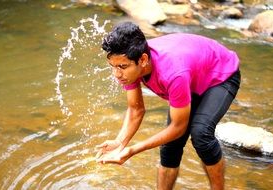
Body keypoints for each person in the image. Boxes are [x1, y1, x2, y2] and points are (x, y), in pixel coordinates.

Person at [95, 22, 240, 190]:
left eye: (122, 67)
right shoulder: (128, 66)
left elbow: (179, 127)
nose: (117, 74)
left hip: (221, 74)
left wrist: (132, 150)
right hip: (191, 76)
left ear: (143, 60)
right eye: (112, 66)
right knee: (170, 146)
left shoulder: (172, 73)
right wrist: (120, 142)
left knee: (201, 135)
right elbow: (136, 109)